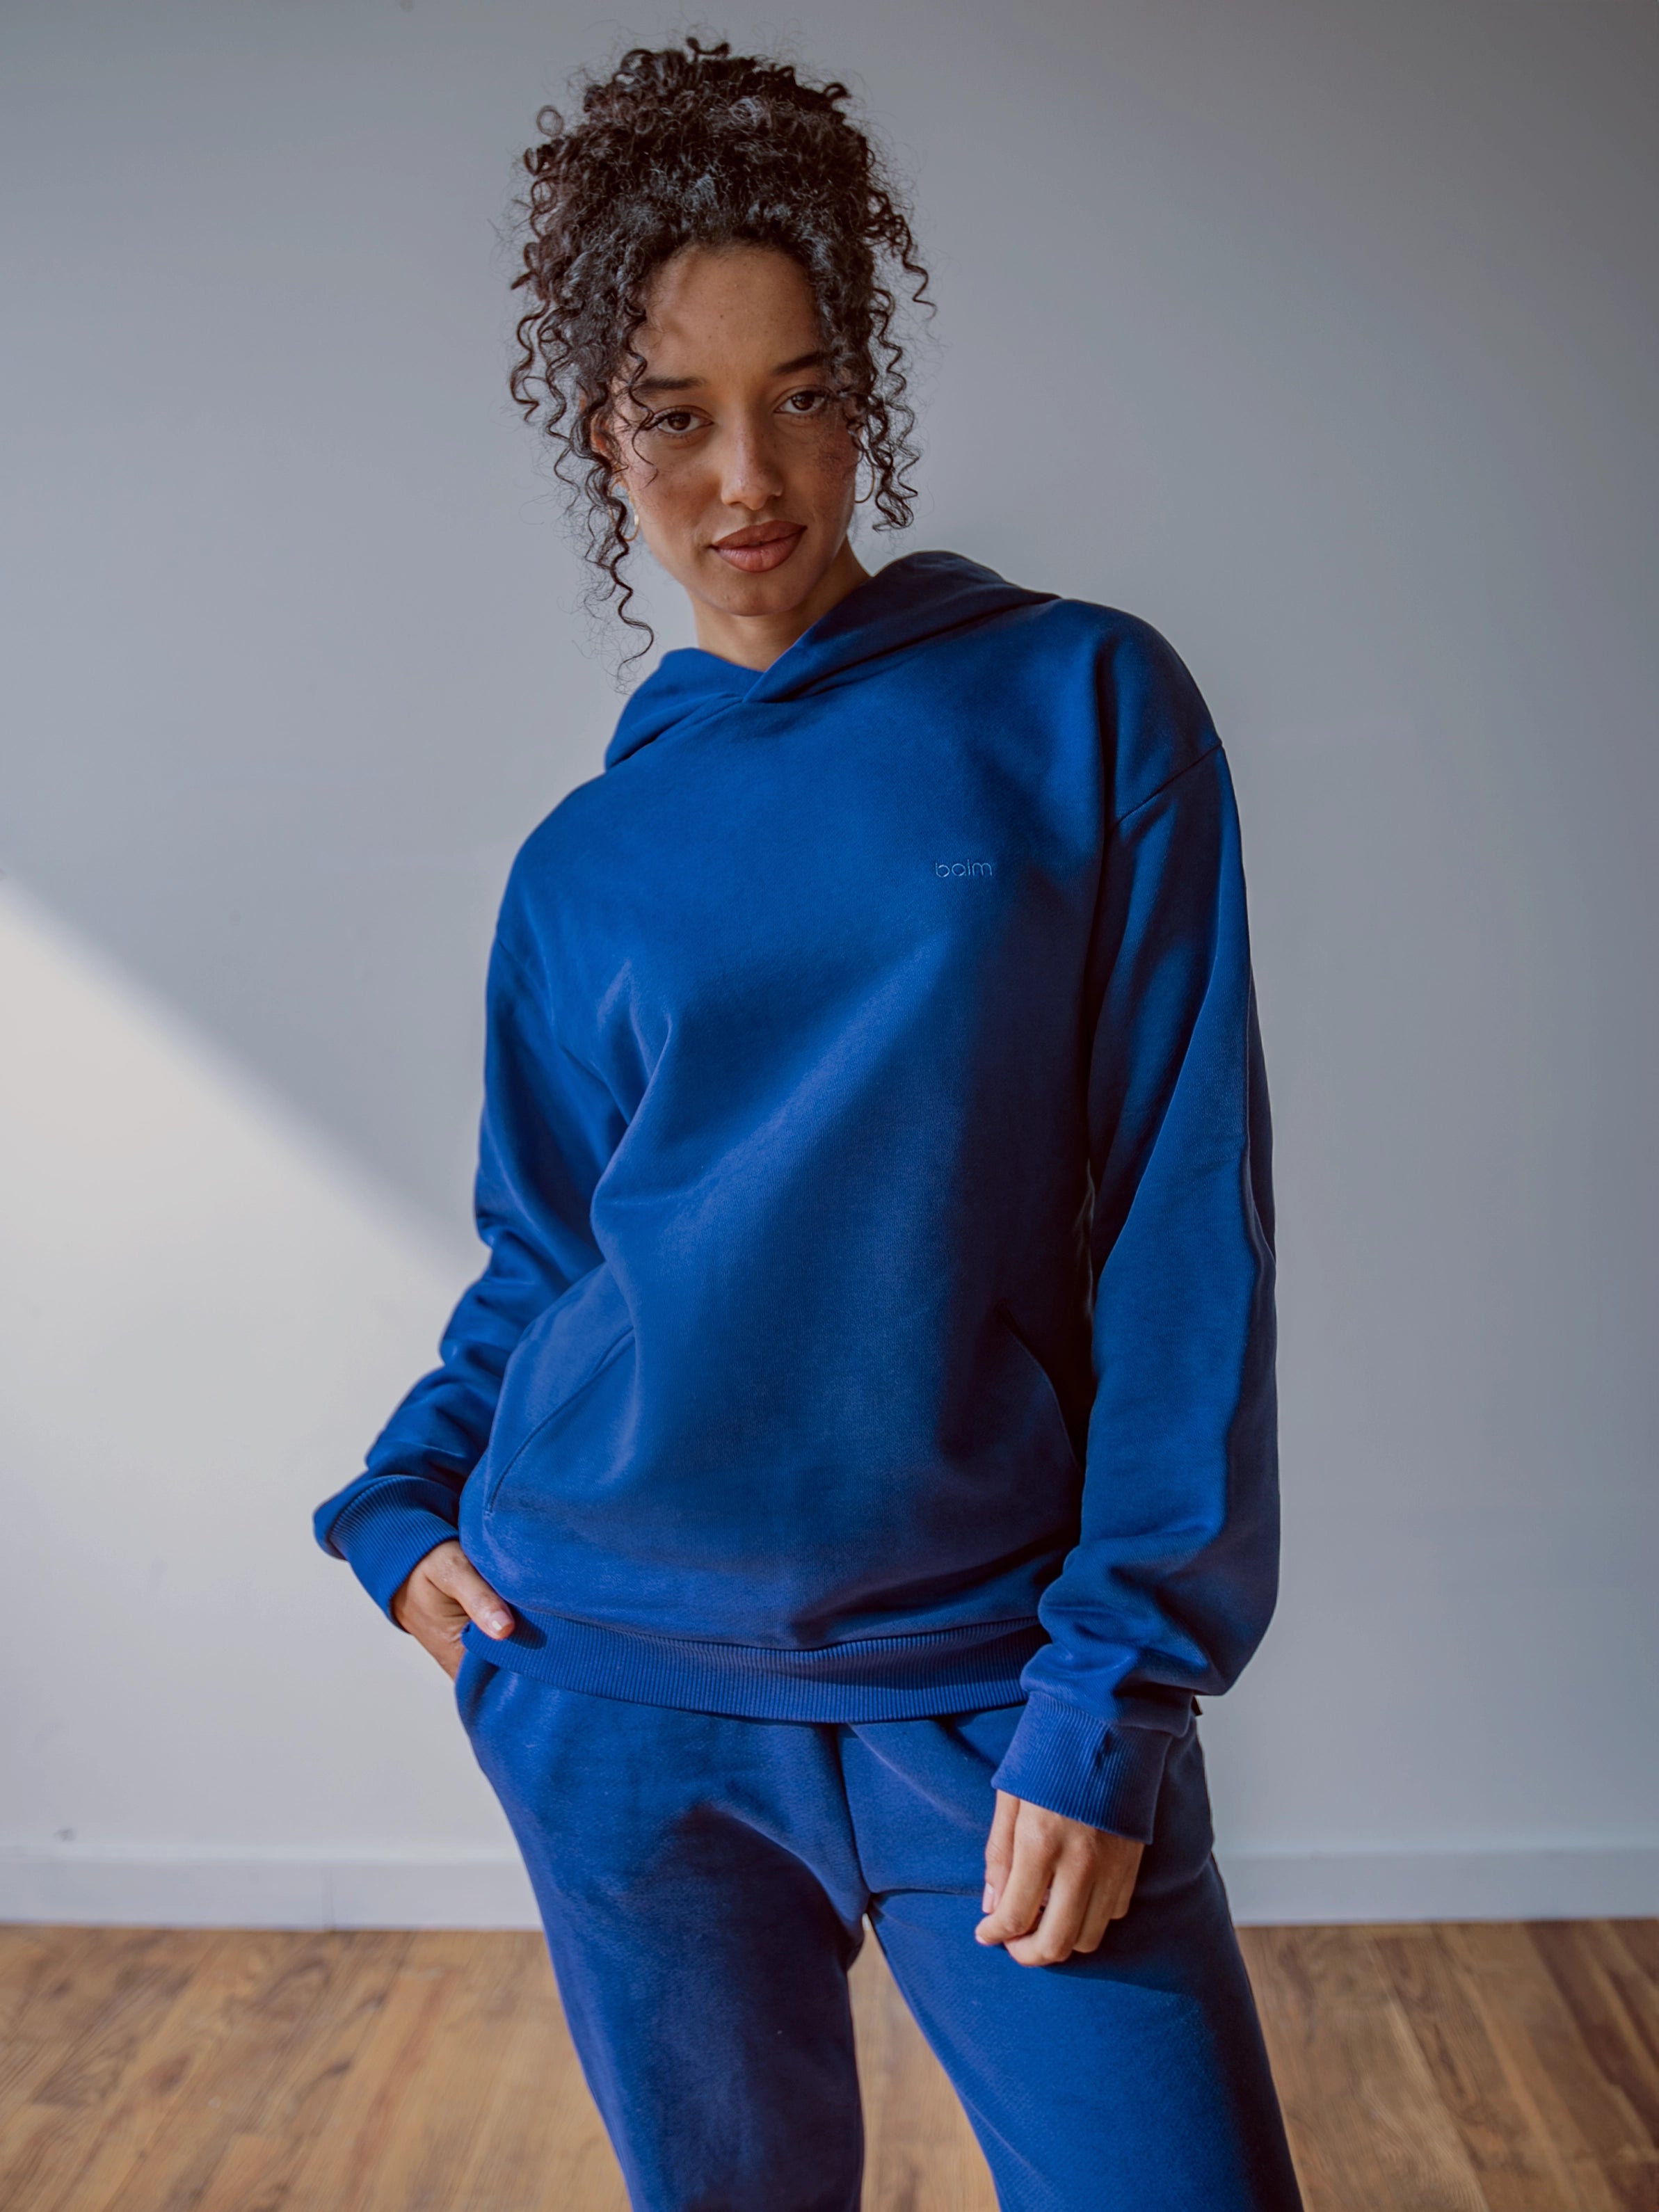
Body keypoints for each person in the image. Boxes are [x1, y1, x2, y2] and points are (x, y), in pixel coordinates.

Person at [312, 38, 1302, 2212]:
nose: (748, 476)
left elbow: (1175, 1223)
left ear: (869, 396)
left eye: (805, 393)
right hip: (615, 1698)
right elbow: (556, 1257)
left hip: (989, 1686)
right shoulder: (584, 862)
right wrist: (400, 1508)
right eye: (677, 417)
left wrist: (1116, 1688)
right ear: (606, 440)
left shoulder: (1076, 706)